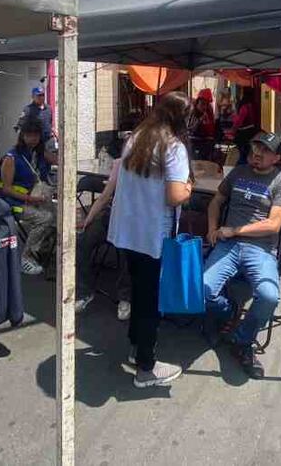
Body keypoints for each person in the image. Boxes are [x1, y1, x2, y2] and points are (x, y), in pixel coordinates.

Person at [107, 91, 193, 388]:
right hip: (152, 234)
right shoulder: (173, 147)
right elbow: (174, 195)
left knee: (139, 291)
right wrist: (188, 188)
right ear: (182, 118)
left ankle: (136, 347)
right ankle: (146, 367)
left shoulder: (137, 138)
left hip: (128, 231)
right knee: (149, 300)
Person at [203, 132, 281, 380]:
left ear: (276, 158)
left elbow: (274, 224)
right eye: (255, 148)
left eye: (265, 151)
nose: (257, 154)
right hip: (228, 245)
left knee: (269, 296)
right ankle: (229, 311)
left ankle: (243, 340)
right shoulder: (238, 172)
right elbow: (216, 201)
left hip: (261, 249)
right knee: (203, 290)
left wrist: (235, 230)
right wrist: (212, 228)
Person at [0, 118, 57, 276]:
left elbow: (59, 160)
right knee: (45, 218)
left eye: (36, 135)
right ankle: (25, 257)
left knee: (58, 216)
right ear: (22, 136)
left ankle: (42, 251)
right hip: (14, 203)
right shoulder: (11, 158)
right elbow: (6, 189)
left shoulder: (38, 153)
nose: (33, 138)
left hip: (34, 198)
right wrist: (31, 199)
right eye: (29, 135)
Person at [73, 163, 132, 322]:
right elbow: (105, 196)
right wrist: (88, 220)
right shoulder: (120, 164)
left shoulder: (150, 166)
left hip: (132, 220)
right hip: (111, 216)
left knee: (129, 250)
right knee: (82, 242)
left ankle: (125, 298)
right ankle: (83, 292)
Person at [230, 88, 259, 166]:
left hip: (243, 134)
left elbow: (239, 121)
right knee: (248, 153)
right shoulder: (254, 105)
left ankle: (241, 168)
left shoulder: (245, 106)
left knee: (242, 155)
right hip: (253, 132)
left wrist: (233, 130)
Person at [189, 89, 216, 160]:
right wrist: (200, 120)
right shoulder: (193, 113)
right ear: (197, 103)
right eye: (202, 104)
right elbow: (191, 129)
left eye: (206, 104)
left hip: (206, 142)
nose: (204, 107)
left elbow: (211, 129)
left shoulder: (208, 112)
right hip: (194, 142)